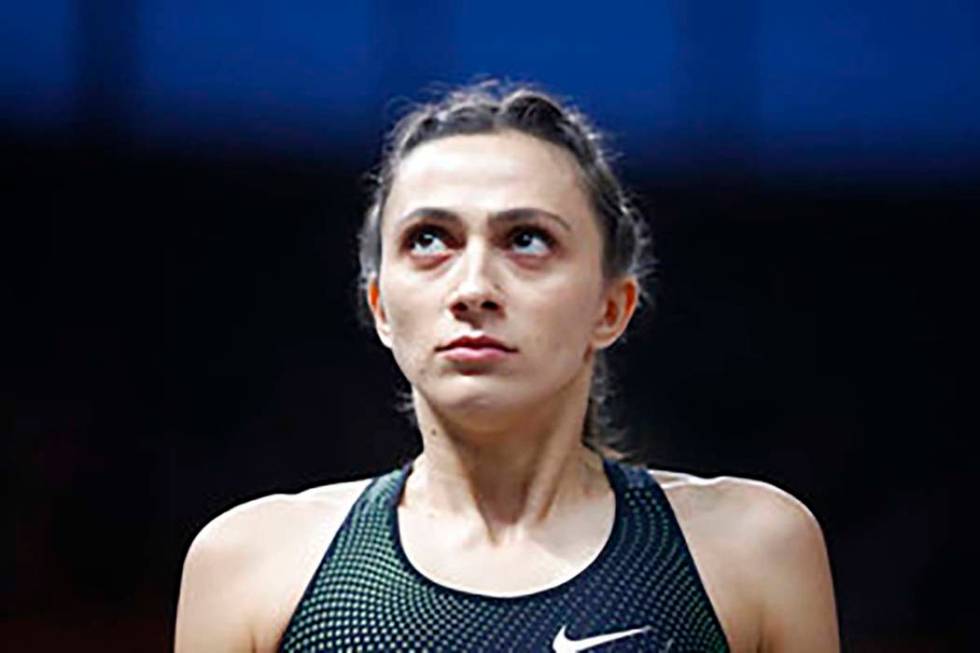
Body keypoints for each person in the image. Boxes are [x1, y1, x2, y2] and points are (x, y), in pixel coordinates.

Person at [174, 82, 839, 652]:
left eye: (527, 240)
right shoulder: (252, 566)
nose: (473, 287)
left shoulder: (754, 551)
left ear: (611, 306)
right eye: (428, 239)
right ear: (381, 306)